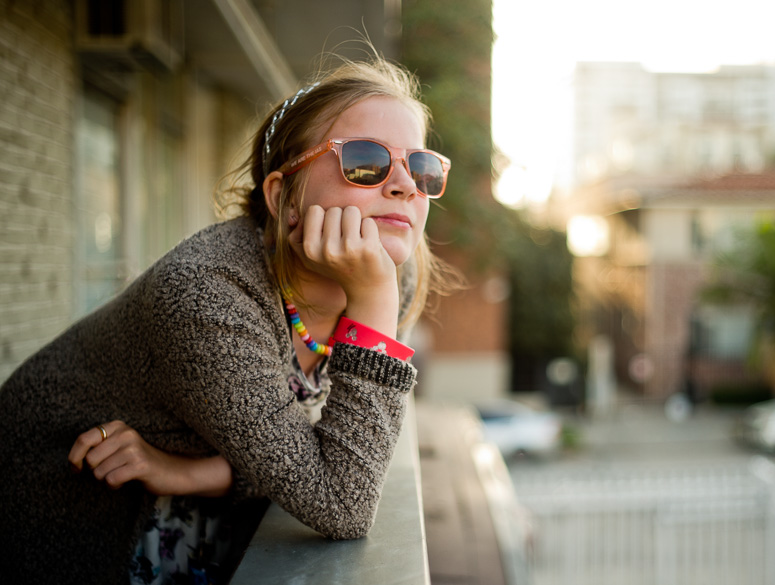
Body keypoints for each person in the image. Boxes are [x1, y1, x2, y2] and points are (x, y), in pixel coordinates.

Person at [0, 54, 452, 584]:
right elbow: (341, 504)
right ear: (284, 196)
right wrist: (372, 305)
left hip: (186, 513)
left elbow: (313, 447)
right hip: (69, 525)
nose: (404, 185)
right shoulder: (207, 294)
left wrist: (195, 474)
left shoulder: (390, 275)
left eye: (421, 168)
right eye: (365, 161)